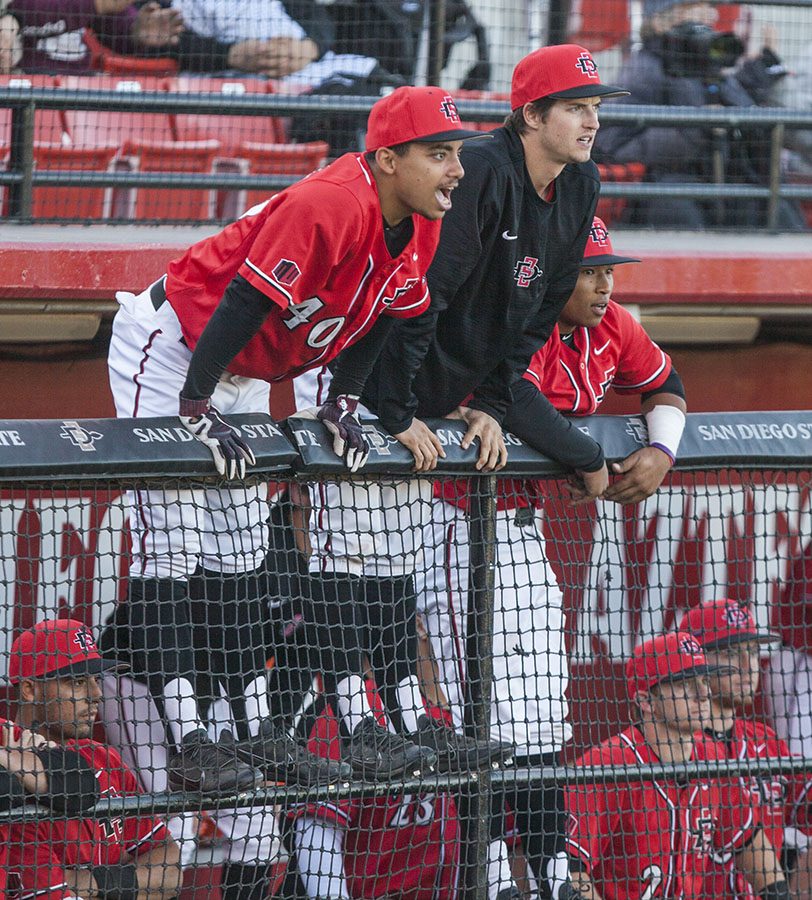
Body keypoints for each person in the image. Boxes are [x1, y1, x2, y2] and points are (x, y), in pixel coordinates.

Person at [105, 84, 487, 792]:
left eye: (457, 153)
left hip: (243, 366)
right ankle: (188, 737)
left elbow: (389, 315)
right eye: (439, 154)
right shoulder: (332, 201)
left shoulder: (422, 219)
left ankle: (256, 735)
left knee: (245, 546)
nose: (456, 170)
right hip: (174, 347)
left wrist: (343, 398)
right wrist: (194, 403)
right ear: (388, 158)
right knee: (174, 538)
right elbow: (246, 299)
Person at [294, 43, 627, 803]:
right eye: (576, 107)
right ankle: (346, 723)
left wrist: (488, 397)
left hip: (435, 392)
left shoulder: (581, 185)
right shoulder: (480, 167)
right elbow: (419, 296)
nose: (591, 122)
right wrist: (401, 410)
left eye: (597, 109)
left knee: (398, 554)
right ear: (531, 114)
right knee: (354, 552)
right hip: (362, 363)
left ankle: (399, 721)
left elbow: (535, 316)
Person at [414, 216, 686, 899]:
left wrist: (660, 449)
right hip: (450, 521)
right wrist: (588, 458)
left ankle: (545, 877)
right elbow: (516, 402)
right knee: (483, 716)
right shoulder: (517, 315)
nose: (603, 285)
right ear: (556, 275)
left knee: (543, 709)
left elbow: (667, 380)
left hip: (518, 522)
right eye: (590, 272)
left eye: (608, 271)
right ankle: (480, 877)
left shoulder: (611, 324)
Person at [565, 631, 789, 900]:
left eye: (705, 680)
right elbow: (569, 870)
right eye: (685, 683)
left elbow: (748, 842)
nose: (703, 693)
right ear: (646, 701)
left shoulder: (712, 758)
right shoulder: (606, 766)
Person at [3, 618, 182, 900]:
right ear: (29, 689)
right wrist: (132, 883)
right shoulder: (11, 770)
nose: (96, 695)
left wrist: (91, 883)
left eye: (96, 680)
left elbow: (171, 869)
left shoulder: (103, 758)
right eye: (77, 682)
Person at [596, 0, 805, 229]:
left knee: (777, 213)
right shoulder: (645, 69)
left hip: (729, 184)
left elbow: (734, 98)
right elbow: (611, 143)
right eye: (695, 7)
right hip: (672, 193)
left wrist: (762, 69)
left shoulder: (704, 63)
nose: (710, 14)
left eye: (709, 7)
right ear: (660, 21)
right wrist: (695, 130)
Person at [680, 598, 812, 892]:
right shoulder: (672, 748)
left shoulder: (764, 742)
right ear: (694, 662)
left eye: (752, 652)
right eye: (730, 653)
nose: (747, 666)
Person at [4, 0, 184, 74]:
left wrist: (134, 31)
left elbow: (109, 19)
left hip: (78, 89)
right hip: (25, 91)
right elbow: (18, 13)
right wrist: (94, 4)